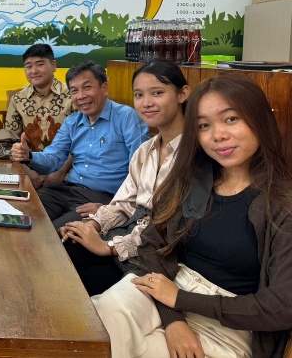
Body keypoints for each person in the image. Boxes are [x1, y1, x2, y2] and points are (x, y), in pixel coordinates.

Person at [92, 75, 292, 358]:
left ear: (259, 118)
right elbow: (151, 245)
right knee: (104, 315)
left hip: (231, 323)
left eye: (231, 119)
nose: (218, 135)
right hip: (168, 287)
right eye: (204, 125)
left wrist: (182, 300)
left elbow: (281, 307)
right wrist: (173, 318)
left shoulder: (283, 205)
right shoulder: (193, 180)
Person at [60, 59, 189, 296]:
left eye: (157, 93)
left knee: (73, 285)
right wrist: (93, 225)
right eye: (139, 95)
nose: (146, 103)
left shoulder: (193, 155)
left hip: (157, 255)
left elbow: (166, 229)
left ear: (182, 94)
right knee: (64, 248)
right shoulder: (146, 150)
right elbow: (124, 202)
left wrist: (108, 246)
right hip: (128, 235)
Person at [11, 60, 149, 229]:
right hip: (65, 190)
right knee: (17, 217)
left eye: (87, 87)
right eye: (74, 91)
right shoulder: (72, 122)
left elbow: (142, 171)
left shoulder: (127, 118)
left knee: (54, 234)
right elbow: (53, 158)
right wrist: (29, 156)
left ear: (104, 88)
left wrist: (113, 207)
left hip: (101, 197)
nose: (81, 96)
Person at [4, 44, 73, 188]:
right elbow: (11, 140)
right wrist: (27, 170)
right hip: (29, 169)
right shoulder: (18, 99)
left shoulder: (72, 96)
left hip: (66, 172)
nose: (34, 71)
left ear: (53, 65)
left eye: (40, 64)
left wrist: (60, 171)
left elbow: (80, 141)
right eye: (28, 66)